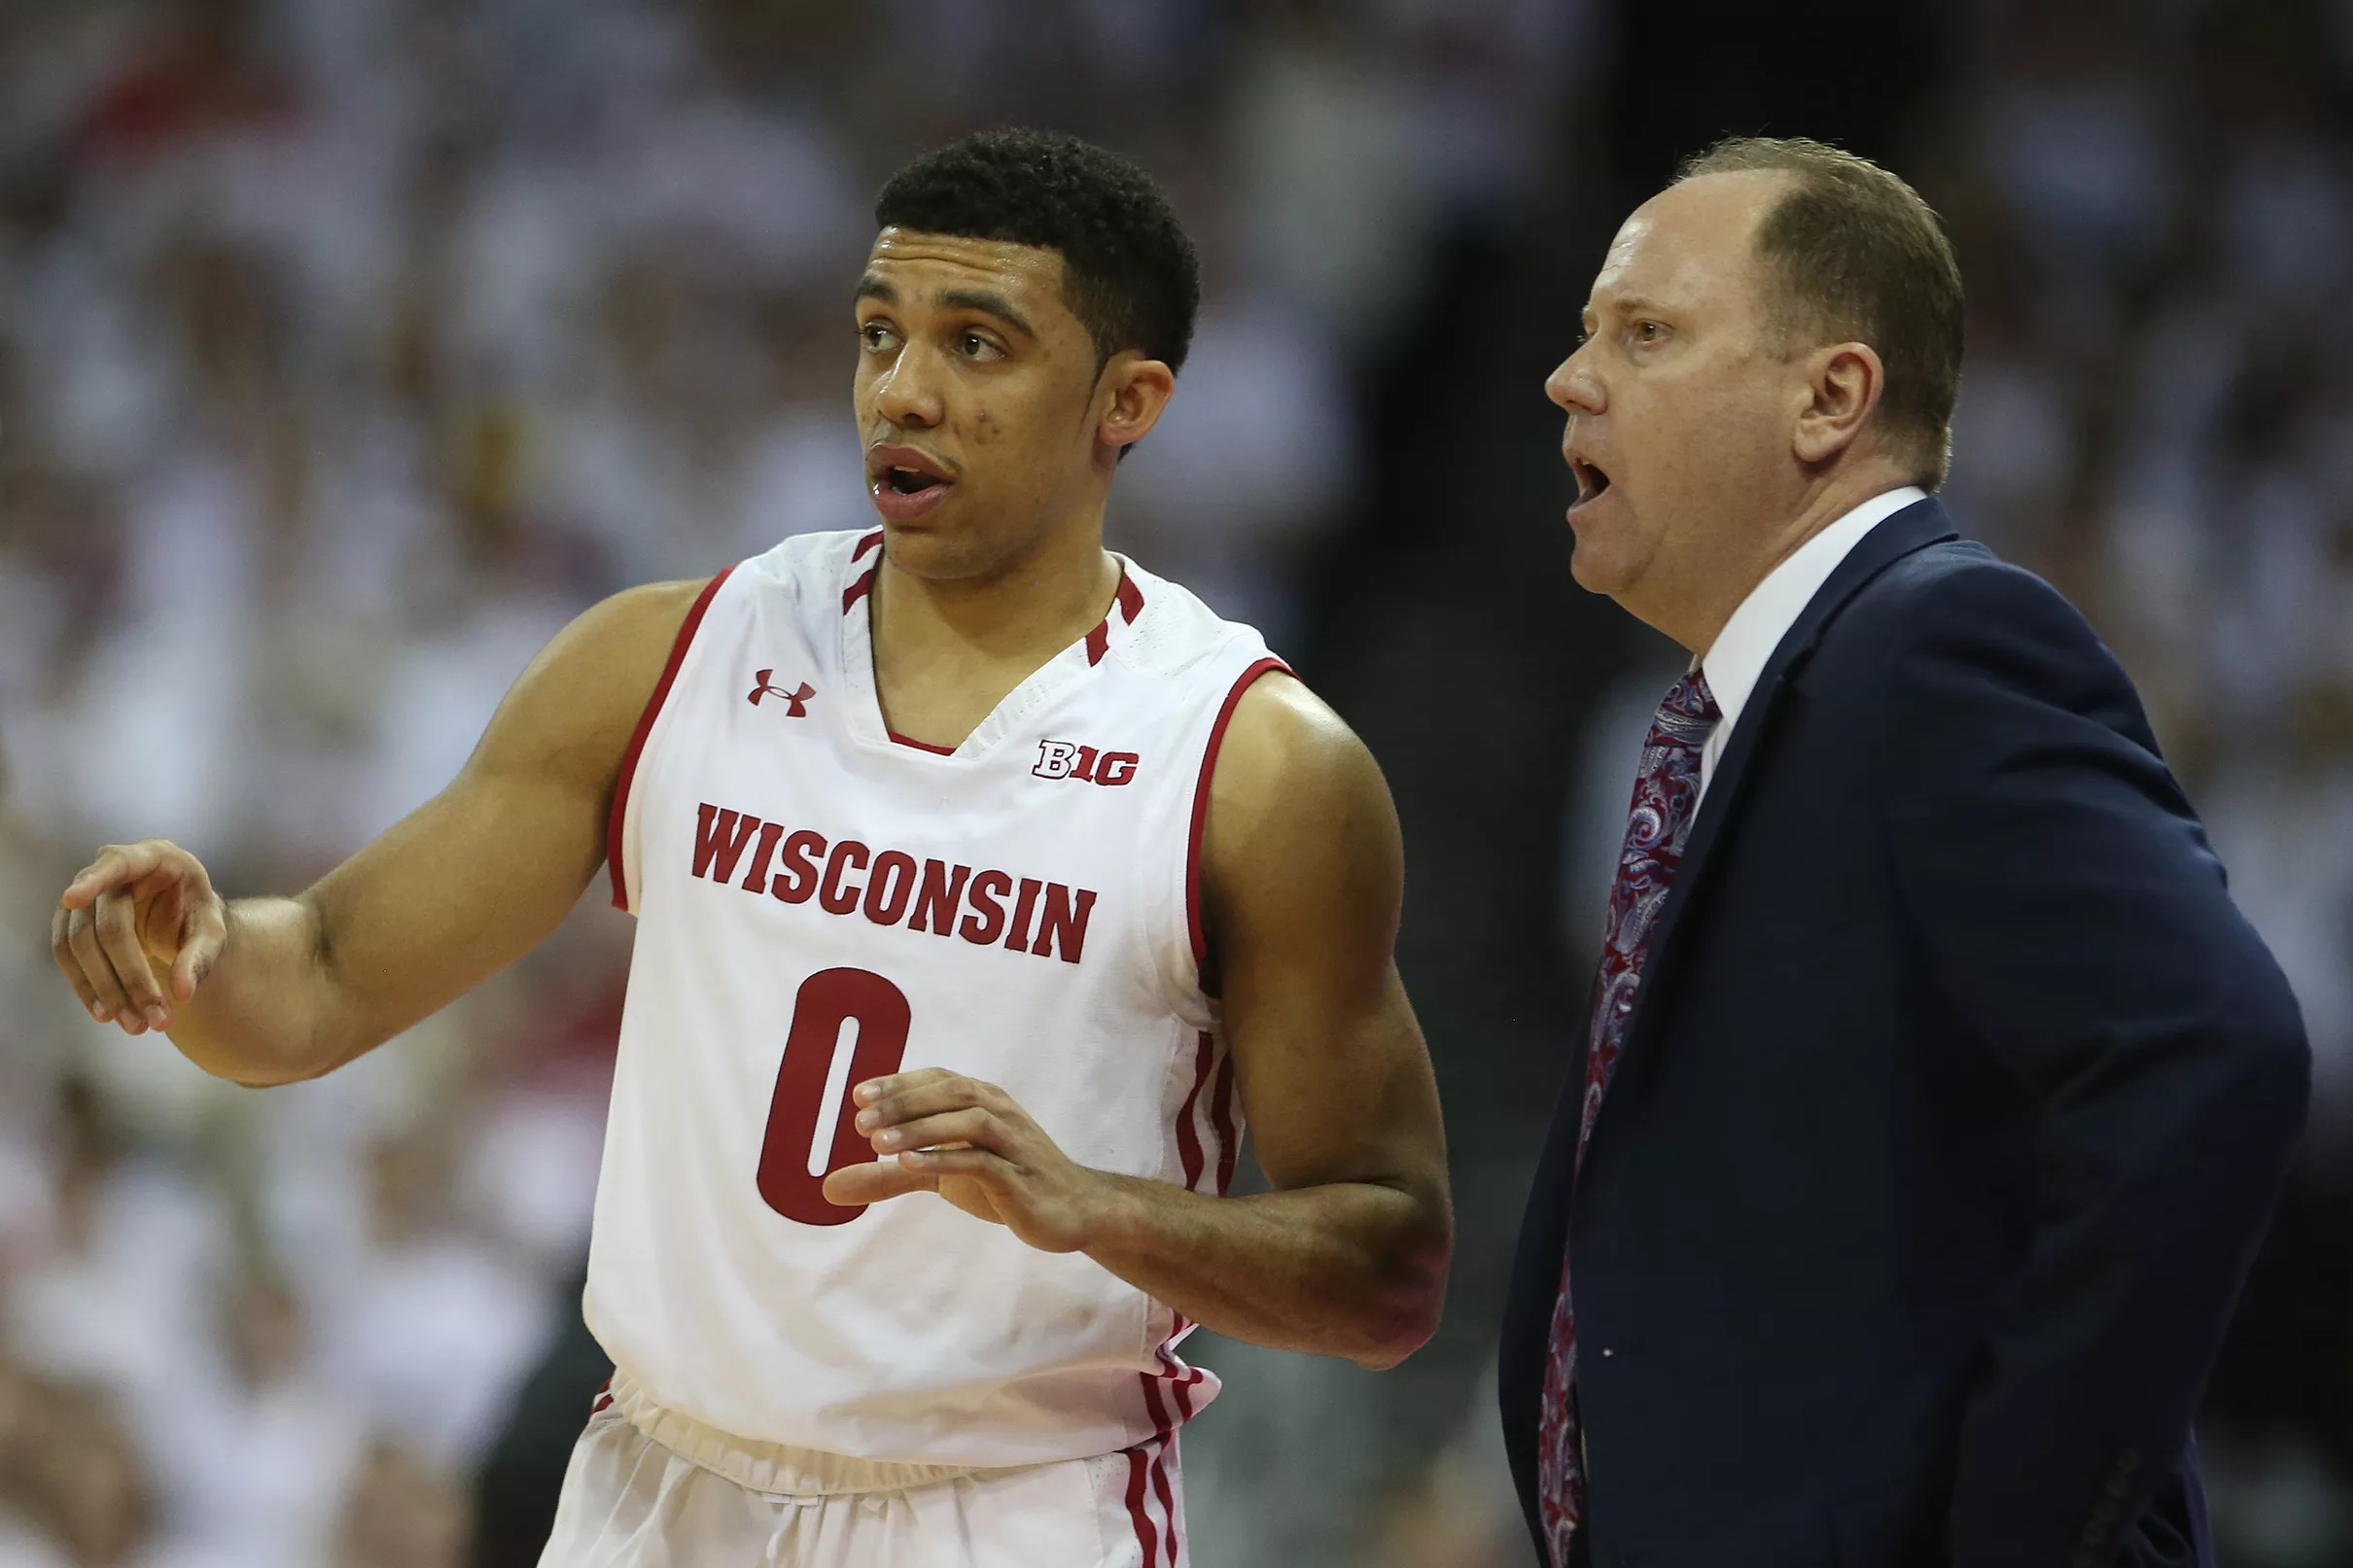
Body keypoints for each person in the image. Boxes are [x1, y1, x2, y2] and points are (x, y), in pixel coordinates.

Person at [47, 128, 1453, 1568]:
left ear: (1129, 401)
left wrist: (1091, 1204)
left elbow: (1390, 1270)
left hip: (1010, 1509)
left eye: (978, 344)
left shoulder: (1252, 765)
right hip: (658, 1485)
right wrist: (202, 956)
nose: (903, 389)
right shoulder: (669, 658)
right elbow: (324, 979)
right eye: (878, 332)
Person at [1497, 136, 2308, 1568]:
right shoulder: (1752, 707)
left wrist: (2023, 1526)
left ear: (1831, 397)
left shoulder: (1934, 642)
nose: (1572, 377)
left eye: (1644, 331)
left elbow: (2213, 1049)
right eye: (1582, 333)